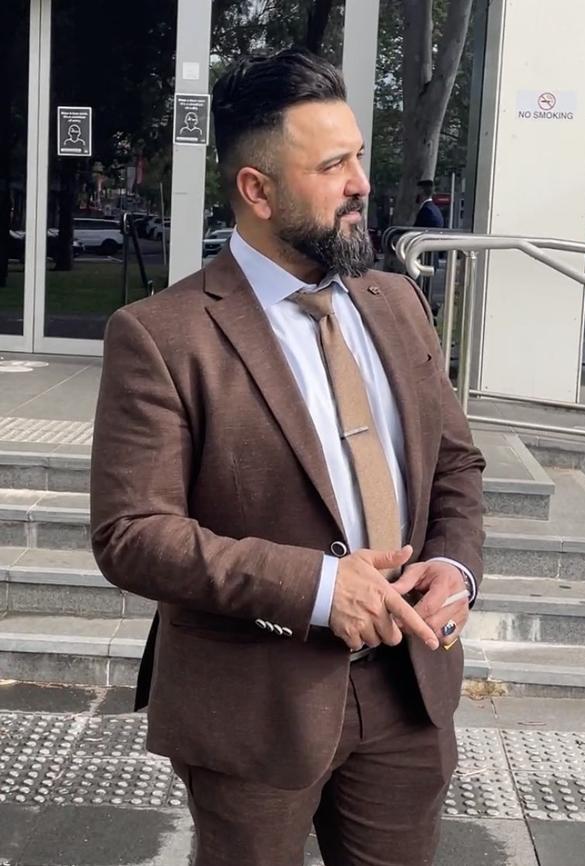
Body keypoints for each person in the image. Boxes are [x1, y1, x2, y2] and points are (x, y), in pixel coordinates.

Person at [90, 48, 485, 866]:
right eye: (332, 165)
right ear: (258, 190)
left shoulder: (399, 303)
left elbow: (455, 467)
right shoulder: (163, 336)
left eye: (359, 158)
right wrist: (316, 587)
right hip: (255, 703)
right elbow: (131, 532)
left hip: (408, 689)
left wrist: (455, 567)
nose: (361, 184)